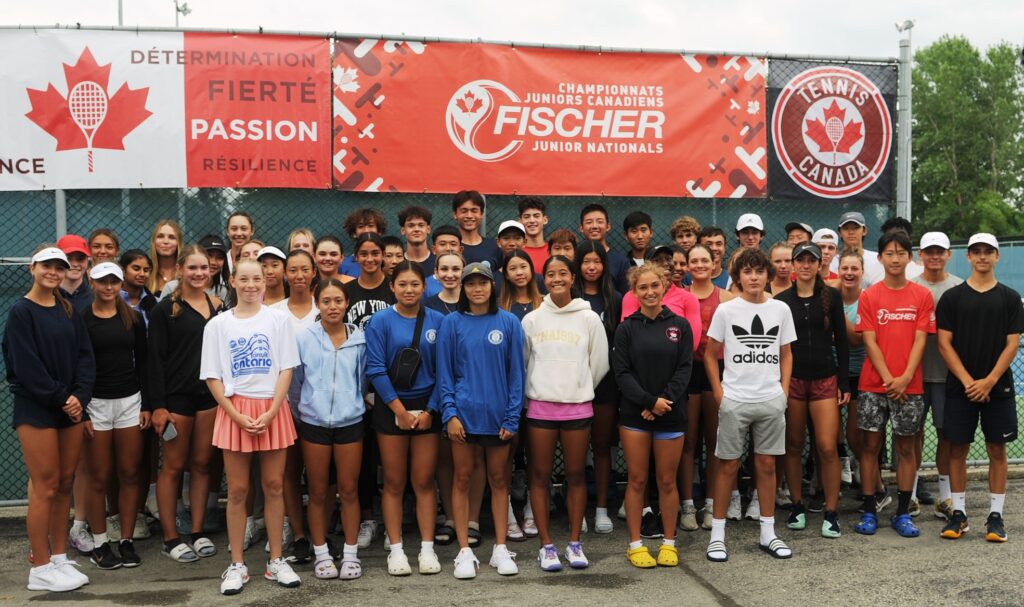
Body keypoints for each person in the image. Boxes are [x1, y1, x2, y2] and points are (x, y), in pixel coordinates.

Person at [201, 259, 301, 595]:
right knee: (239, 491)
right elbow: (212, 377)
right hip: (235, 411)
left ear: (266, 280)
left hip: (272, 408)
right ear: (232, 281)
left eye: (256, 278)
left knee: (274, 485)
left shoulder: (279, 319)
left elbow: (286, 368)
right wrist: (234, 413)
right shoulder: (217, 325)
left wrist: (273, 410)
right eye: (243, 279)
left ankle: (276, 560)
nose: (250, 284)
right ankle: (238, 564)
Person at [5, 246, 94, 592]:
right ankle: (40, 567)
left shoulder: (68, 310)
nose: (54, 271)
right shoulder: (20, 312)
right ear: (32, 268)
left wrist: (80, 398)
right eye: (47, 265)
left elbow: (85, 358)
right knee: (44, 486)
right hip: (37, 409)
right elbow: (26, 367)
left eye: (60, 266)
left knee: (64, 484)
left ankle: (59, 557)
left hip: (70, 408)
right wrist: (63, 398)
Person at [705, 248, 795, 562]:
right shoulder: (726, 311)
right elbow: (709, 354)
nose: (753, 277)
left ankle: (768, 533)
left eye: (759, 271)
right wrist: (720, 395)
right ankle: (717, 536)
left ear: (767, 275)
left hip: (770, 401)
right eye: (747, 271)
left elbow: (786, 354)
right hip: (734, 400)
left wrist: (782, 394)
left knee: (767, 466)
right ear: (738, 277)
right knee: (727, 465)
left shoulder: (781, 309)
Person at [436, 262, 525, 579]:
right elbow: (444, 375)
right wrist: (450, 414)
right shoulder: (451, 323)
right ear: (463, 288)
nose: (477, 288)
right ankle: (464, 552)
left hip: (499, 418)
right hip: (463, 418)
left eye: (483, 283)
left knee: (499, 481)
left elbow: (517, 376)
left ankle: (501, 549)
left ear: (492, 286)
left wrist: (512, 417)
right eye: (470, 283)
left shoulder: (510, 322)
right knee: (462, 479)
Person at [523, 255, 609, 571]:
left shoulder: (588, 319)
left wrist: (577, 386)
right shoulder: (532, 320)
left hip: (577, 408)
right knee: (541, 476)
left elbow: (599, 364)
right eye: (550, 274)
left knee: (575, 475)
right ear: (543, 279)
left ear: (572, 278)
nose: (557, 278)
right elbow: (524, 362)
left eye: (563, 273)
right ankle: (546, 546)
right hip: (541, 408)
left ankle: (574, 543)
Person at [937, 233, 1023, 543]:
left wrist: (988, 381)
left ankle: (996, 517)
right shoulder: (952, 298)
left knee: (996, 450)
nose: (983, 256)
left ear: (997, 257)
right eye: (977, 251)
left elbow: (1012, 345)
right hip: (961, 388)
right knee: (957, 449)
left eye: (989, 251)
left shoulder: (1010, 298)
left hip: (997, 389)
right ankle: (958, 515)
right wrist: (968, 381)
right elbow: (944, 344)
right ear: (968, 257)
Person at [365, 261, 445, 576]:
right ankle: (396, 550)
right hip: (390, 407)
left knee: (424, 481)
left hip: (428, 407)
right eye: (403, 285)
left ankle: (427, 549)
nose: (409, 290)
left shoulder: (439, 320)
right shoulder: (380, 321)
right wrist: (398, 410)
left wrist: (430, 411)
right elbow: (375, 368)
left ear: (424, 287)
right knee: (395, 482)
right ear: (393, 287)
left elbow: (444, 371)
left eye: (415, 284)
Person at [853, 230, 935, 538]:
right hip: (874, 385)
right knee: (870, 447)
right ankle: (870, 510)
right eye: (890, 253)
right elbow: (870, 342)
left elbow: (920, 341)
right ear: (880, 258)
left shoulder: (922, 296)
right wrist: (888, 379)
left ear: (910, 258)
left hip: (909, 387)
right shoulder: (870, 296)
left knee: (905, 448)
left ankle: (903, 512)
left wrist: (903, 379)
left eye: (901, 253)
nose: (896, 258)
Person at [613, 262, 693, 569]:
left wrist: (663, 401)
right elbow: (622, 373)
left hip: (671, 413)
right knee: (636, 480)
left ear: (664, 287)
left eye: (654, 286)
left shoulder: (680, 326)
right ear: (634, 292)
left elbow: (684, 368)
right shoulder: (626, 328)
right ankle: (635, 545)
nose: (649, 292)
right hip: (635, 415)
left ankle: (669, 543)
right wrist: (648, 401)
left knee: (667, 481)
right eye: (642, 287)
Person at [148, 245, 221, 563]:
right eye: (193, 267)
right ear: (180, 270)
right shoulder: (165, 309)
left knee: (203, 464)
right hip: (176, 400)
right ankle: (170, 538)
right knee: (174, 467)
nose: (200, 273)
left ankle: (196, 531)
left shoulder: (217, 305)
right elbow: (153, 360)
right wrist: (158, 406)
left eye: (204, 267)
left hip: (209, 397)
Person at [290, 278, 367, 580]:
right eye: (326, 301)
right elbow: (296, 383)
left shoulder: (360, 338)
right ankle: (320, 552)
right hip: (314, 424)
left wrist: (352, 403)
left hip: (351, 423)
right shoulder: (304, 338)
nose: (332, 307)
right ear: (317, 303)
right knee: (319, 492)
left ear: (346, 303)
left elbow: (363, 379)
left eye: (338, 301)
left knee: (348, 490)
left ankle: (350, 554)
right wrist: (307, 410)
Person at [775, 243, 849, 538]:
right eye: (800, 260)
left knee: (827, 447)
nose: (805, 265)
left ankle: (831, 512)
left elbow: (841, 341)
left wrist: (843, 382)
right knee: (793, 445)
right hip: (792, 382)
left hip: (824, 380)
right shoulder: (781, 301)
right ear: (793, 265)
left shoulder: (831, 296)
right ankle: (797, 505)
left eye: (811, 260)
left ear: (820, 264)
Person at [81, 262, 149, 570]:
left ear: (120, 284)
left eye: (113, 282)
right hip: (95, 403)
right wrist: (82, 409)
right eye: (102, 282)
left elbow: (146, 363)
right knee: (98, 476)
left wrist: (147, 403)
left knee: (130, 472)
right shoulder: (80, 319)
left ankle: (126, 540)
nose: (108, 287)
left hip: (130, 402)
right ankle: (99, 543)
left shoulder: (132, 319)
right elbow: (75, 366)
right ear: (91, 283)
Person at [269, 249, 320, 564]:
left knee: (318, 476)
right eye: (294, 270)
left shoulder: (325, 307)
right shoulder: (272, 313)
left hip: (318, 409)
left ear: (314, 272)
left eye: (305, 269)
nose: (299, 275)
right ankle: (299, 535)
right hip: (283, 407)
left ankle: (319, 534)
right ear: (286, 274)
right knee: (287, 473)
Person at [678, 244, 733, 531]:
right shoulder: (680, 297)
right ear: (687, 265)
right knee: (687, 443)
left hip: (718, 371)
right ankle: (687, 505)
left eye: (705, 260)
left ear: (714, 264)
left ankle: (712, 504)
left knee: (714, 442)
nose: (700, 265)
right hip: (687, 373)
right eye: (694, 260)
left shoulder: (726, 298)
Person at [911, 232, 962, 520]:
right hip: (915, 377)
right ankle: (912, 492)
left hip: (947, 377)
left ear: (948, 254)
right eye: (929, 251)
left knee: (947, 436)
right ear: (921, 254)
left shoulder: (959, 287)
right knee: (912, 436)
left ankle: (945, 497)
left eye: (939, 251)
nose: (934, 256)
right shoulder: (910, 287)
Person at [575, 241, 623, 534]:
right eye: (585, 261)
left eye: (597, 261)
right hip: (573, 385)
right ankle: (577, 509)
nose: (591, 267)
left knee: (603, 446)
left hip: (606, 385)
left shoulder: (615, 299)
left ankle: (602, 508)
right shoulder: (569, 298)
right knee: (576, 451)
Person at [579, 204, 629, 293]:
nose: (594, 226)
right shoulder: (576, 257)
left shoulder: (621, 261)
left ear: (608, 226)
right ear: (581, 228)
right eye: (589, 222)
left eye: (600, 221)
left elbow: (626, 295)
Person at [452, 190, 501, 271]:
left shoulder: (494, 247)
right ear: (455, 214)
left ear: (481, 214)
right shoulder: (450, 247)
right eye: (464, 211)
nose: (469, 216)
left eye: (474, 211)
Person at [834, 211, 883, 286]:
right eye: (846, 228)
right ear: (840, 233)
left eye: (856, 228)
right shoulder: (832, 261)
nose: (851, 232)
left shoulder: (877, 259)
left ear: (864, 231)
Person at [341, 208, 387, 278]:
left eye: (370, 226)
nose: (366, 230)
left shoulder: (390, 262)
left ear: (379, 231)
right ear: (354, 233)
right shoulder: (344, 265)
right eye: (361, 226)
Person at [500, 250, 543, 321]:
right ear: (506, 274)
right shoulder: (500, 306)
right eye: (513, 268)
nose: (519, 273)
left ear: (531, 270)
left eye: (523, 267)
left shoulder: (545, 303)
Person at [119, 250, 157, 325]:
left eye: (146, 270)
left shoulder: (156, 303)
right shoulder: (111, 299)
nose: (142, 274)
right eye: (136, 269)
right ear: (123, 270)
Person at [57, 234, 93, 312]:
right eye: (68, 258)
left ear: (87, 261)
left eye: (80, 259)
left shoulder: (95, 298)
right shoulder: (47, 296)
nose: (75, 264)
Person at [147, 220, 184, 297]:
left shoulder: (186, 273)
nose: (166, 241)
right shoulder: (145, 272)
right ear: (154, 241)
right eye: (160, 236)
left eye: (172, 237)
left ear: (179, 243)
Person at [424, 226, 463, 298]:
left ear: (461, 250)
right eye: (442, 244)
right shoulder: (424, 285)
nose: (448, 248)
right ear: (434, 249)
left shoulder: (469, 283)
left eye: (453, 244)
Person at [518, 198, 550, 273]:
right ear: (520, 221)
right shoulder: (516, 252)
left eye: (536, 216)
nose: (532, 220)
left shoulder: (554, 251)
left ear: (545, 220)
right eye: (526, 217)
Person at [399, 206, 434, 275]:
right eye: (411, 225)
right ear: (403, 230)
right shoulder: (398, 262)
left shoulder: (438, 262)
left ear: (428, 229)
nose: (416, 229)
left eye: (421, 225)